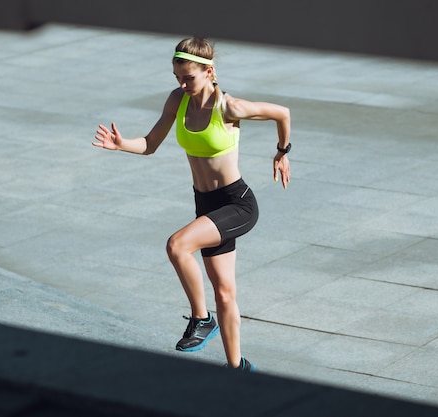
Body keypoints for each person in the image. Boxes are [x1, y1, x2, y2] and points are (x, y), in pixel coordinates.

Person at [92, 37, 291, 371]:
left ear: (209, 72)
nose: (182, 84)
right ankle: (237, 369)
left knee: (178, 245)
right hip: (207, 206)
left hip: (236, 204)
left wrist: (282, 153)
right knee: (225, 293)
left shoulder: (229, 107)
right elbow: (151, 143)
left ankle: (202, 319)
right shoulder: (177, 100)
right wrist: (122, 144)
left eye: (189, 78)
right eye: (177, 77)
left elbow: (282, 113)